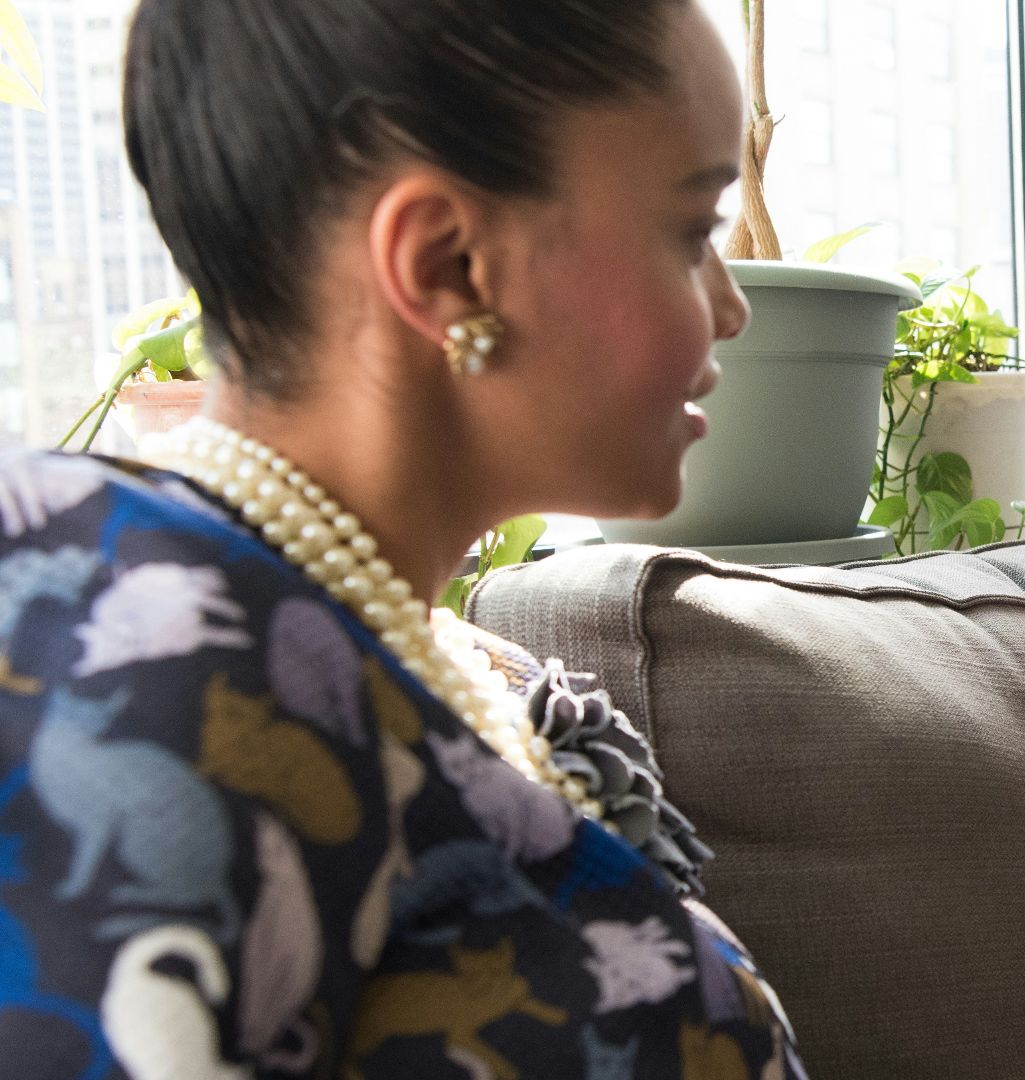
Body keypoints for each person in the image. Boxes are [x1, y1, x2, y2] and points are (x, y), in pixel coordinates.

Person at [0, 0, 809, 1076]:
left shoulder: (472, 677)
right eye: (696, 229)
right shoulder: (146, 659)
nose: (732, 306)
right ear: (447, 264)